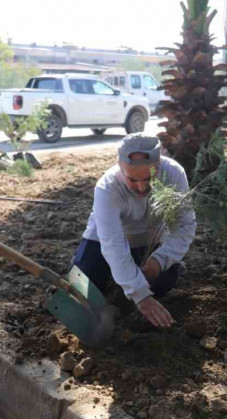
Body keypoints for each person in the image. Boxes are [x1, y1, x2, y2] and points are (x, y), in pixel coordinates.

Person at [72, 134, 196, 329]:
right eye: (132, 180)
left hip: (148, 241)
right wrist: (140, 295)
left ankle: (122, 282)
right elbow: (112, 243)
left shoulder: (174, 174)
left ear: (159, 163)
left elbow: (184, 225)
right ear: (119, 166)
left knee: (163, 283)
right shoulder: (107, 187)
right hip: (103, 239)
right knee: (82, 283)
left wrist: (160, 259)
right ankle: (119, 280)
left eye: (149, 178)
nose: (141, 187)